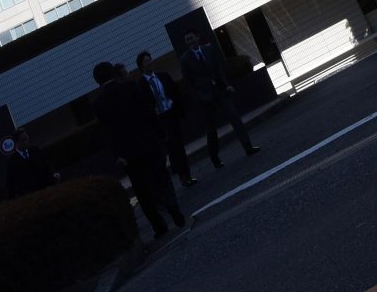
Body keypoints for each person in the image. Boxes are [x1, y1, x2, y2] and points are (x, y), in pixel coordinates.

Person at [90, 61, 187, 238]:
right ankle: (173, 208)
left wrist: (118, 154)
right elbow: (148, 112)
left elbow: (108, 132)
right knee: (161, 177)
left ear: (97, 81)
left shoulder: (99, 104)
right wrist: (161, 133)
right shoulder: (131, 87)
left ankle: (159, 226)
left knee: (142, 190)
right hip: (148, 142)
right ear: (113, 74)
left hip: (128, 153)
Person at [179, 29, 260, 167]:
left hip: (219, 91)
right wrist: (200, 96)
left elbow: (218, 69)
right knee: (211, 129)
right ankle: (215, 158)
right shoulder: (185, 59)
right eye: (187, 40)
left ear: (197, 37)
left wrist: (226, 85)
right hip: (205, 97)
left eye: (191, 38)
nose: (189, 41)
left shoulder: (208, 50)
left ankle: (248, 146)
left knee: (235, 117)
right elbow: (189, 82)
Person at [136, 48, 197, 188]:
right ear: (141, 66)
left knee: (179, 146)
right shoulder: (141, 85)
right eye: (146, 61)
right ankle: (180, 175)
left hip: (170, 114)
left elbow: (175, 92)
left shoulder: (163, 76)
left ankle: (186, 175)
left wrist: (178, 109)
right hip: (158, 119)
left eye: (150, 59)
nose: (150, 62)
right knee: (171, 147)